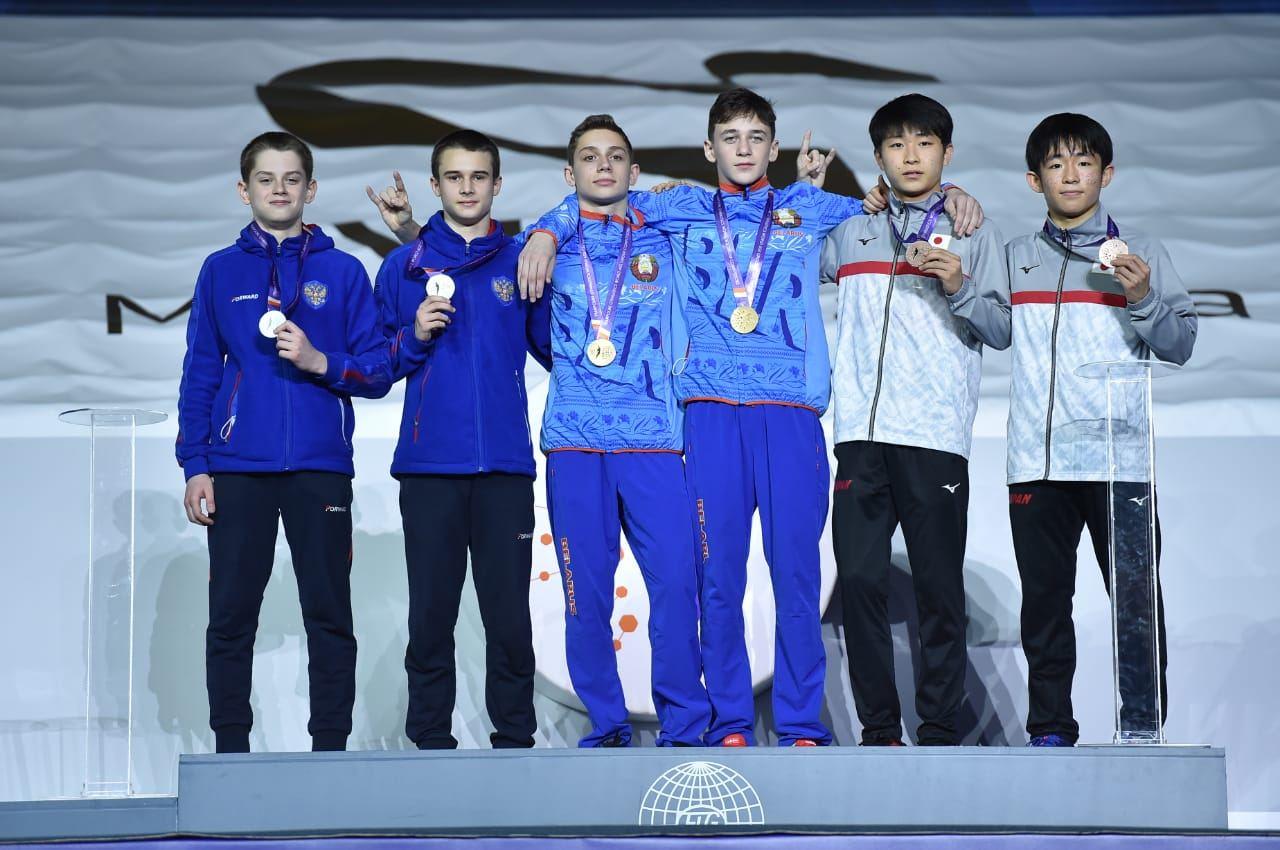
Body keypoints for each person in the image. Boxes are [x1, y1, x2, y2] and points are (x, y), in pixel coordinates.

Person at [519, 88, 983, 747]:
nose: (743, 149)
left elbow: (898, 207)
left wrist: (955, 194)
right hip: (708, 418)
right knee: (718, 578)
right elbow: (599, 197)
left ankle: (798, 721)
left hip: (790, 417)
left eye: (755, 137)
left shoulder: (810, 208)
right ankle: (731, 719)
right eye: (729, 138)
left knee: (796, 577)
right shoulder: (676, 208)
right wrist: (543, 229)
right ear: (711, 149)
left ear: (774, 147)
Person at [176, 131, 391, 753]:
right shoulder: (221, 270)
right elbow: (200, 373)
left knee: (329, 614)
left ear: (311, 189)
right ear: (244, 190)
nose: (279, 190)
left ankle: (330, 752)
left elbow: (376, 369)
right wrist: (196, 464)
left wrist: (323, 361)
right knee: (232, 617)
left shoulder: (343, 271)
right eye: (265, 180)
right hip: (238, 466)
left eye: (291, 179)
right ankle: (231, 753)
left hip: (320, 466)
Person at [820, 94, 1010, 746]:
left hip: (933, 436)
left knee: (936, 590)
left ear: (946, 153)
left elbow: (1003, 327)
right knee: (862, 585)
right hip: (861, 438)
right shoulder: (852, 229)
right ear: (878, 158)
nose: (910, 155)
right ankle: (878, 730)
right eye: (896, 144)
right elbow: (785, 259)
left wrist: (959, 284)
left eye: (924, 143)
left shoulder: (974, 230)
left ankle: (937, 730)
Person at [1005, 113, 1197, 747]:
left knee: (1136, 605)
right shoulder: (1014, 258)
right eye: (1055, 164)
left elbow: (1181, 345)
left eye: (1083, 161)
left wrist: (1142, 298)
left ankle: (1142, 729)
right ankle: (1051, 731)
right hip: (1037, 460)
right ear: (1035, 180)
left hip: (1120, 463)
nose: (1070, 173)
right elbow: (987, 326)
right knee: (1045, 609)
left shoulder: (1142, 254)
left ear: (1105, 173)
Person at [370, 130, 551, 750]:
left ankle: (516, 741)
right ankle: (428, 741)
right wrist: (414, 334)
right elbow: (376, 365)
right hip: (428, 469)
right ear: (435, 185)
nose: (467, 187)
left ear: (497, 185)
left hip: (504, 468)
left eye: (479, 176)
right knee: (431, 615)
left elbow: (557, 350)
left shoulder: (521, 260)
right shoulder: (404, 266)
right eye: (455, 177)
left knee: (508, 619)